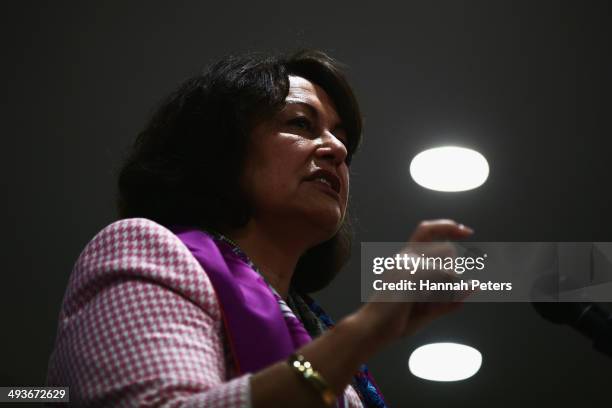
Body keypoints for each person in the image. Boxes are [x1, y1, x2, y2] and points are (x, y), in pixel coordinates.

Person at [46, 49, 473, 407]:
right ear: (220, 150)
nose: (338, 148)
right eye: (301, 124)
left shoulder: (321, 340)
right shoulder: (144, 247)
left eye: (341, 137)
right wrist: (366, 328)